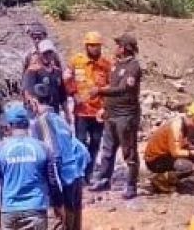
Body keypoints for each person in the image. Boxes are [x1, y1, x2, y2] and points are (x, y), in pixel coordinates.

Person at [30, 100, 91, 230]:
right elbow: (82, 150)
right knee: (72, 215)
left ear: (33, 102)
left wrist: (53, 185)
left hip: (62, 175)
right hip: (74, 171)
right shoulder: (61, 121)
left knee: (59, 219)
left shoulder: (42, 122)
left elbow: (53, 155)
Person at [88, 34, 143, 199]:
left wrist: (100, 90)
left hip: (126, 116)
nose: (115, 48)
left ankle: (131, 185)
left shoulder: (134, 67)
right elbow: (112, 88)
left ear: (125, 48)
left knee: (129, 151)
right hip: (112, 115)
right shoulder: (116, 65)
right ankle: (104, 180)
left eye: (118, 45)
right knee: (107, 150)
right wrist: (104, 107)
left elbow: (122, 89)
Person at [67, 32, 112, 182]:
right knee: (80, 142)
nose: (95, 49)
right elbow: (67, 79)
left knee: (96, 141)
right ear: (86, 46)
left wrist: (106, 105)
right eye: (92, 45)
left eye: (97, 46)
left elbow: (111, 85)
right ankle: (78, 172)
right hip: (81, 111)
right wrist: (73, 94)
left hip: (98, 111)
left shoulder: (106, 64)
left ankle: (89, 173)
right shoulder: (76, 61)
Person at [144, 103, 194, 193]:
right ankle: (160, 179)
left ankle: (169, 178)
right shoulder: (176, 126)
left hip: (166, 156)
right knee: (187, 166)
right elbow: (176, 152)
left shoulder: (184, 125)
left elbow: (181, 145)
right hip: (155, 160)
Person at [24, 40, 69, 117]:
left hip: (54, 111)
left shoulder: (57, 71)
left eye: (50, 53)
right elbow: (29, 92)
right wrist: (38, 106)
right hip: (39, 112)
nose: (47, 55)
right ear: (39, 54)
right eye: (44, 53)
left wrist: (67, 112)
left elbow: (62, 94)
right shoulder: (33, 70)